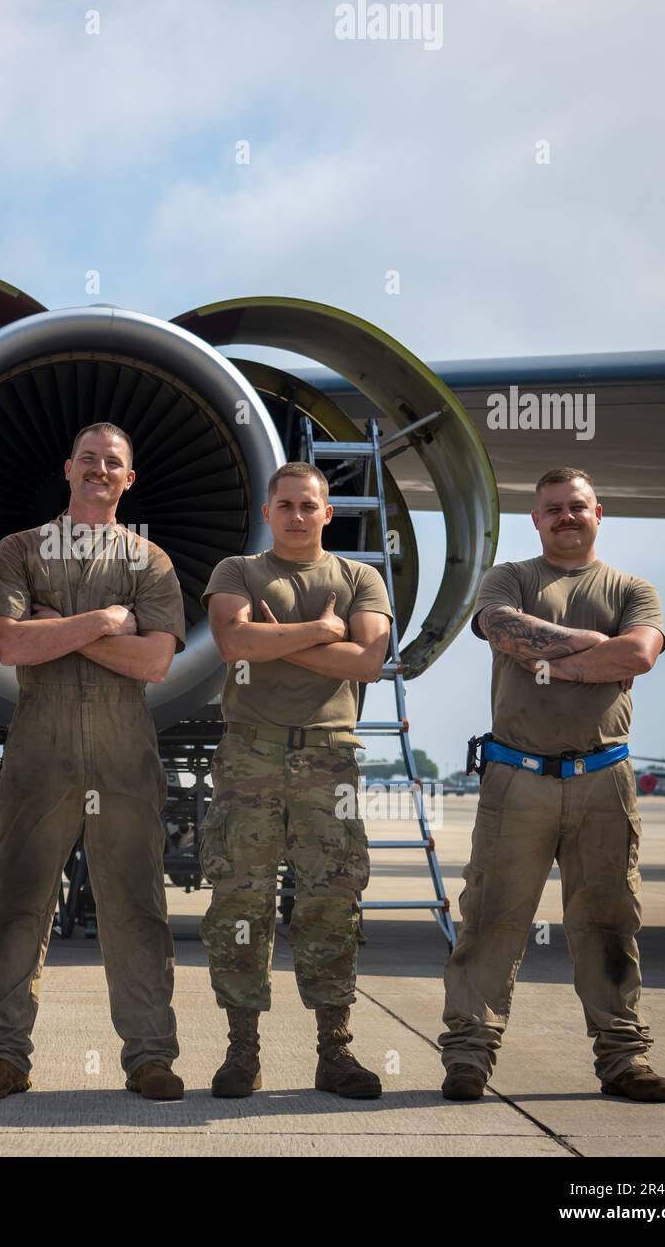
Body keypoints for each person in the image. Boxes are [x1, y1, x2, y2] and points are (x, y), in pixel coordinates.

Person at [0, 423, 187, 1101]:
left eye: (111, 462)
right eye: (87, 459)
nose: (98, 470)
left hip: (124, 758)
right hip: (41, 755)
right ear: (67, 469)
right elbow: (8, 646)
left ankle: (150, 1056)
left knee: (137, 909)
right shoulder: (18, 551)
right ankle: (5, 1056)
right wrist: (100, 624)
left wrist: (57, 628)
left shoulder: (151, 562)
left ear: (129, 479)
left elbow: (153, 660)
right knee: (13, 906)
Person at [440, 467, 665, 1103]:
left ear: (600, 512)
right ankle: (468, 1057)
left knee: (608, 922)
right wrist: (597, 649)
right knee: (490, 919)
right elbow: (501, 629)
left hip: (604, 779)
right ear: (535, 519)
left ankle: (623, 1059)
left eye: (577, 507)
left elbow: (639, 656)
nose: (566, 517)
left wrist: (547, 658)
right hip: (518, 776)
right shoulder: (510, 578)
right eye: (553, 509)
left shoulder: (634, 589)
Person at [201, 462, 392, 1098]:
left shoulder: (360, 577)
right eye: (285, 505)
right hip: (248, 756)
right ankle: (241, 1051)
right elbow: (231, 644)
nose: (296, 515)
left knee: (331, 901)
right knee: (239, 902)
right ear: (267, 512)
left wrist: (271, 638)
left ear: (327, 513)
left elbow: (366, 661)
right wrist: (317, 631)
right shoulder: (237, 571)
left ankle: (335, 1051)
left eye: (308, 505)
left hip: (328, 757)